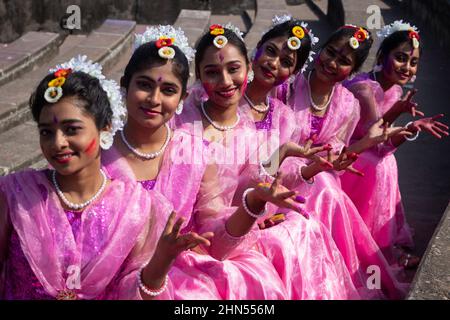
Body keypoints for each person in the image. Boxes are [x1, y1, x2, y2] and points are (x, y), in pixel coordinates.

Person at [341, 21, 449, 268]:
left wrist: (409, 128)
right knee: (381, 163)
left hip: (367, 147)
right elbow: (377, 140)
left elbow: (383, 139)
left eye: (413, 62)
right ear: (381, 56)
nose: (407, 67)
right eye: (400, 58)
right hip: (344, 156)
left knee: (384, 161)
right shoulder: (364, 90)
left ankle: (382, 242)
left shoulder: (395, 91)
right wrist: (408, 126)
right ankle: (375, 245)